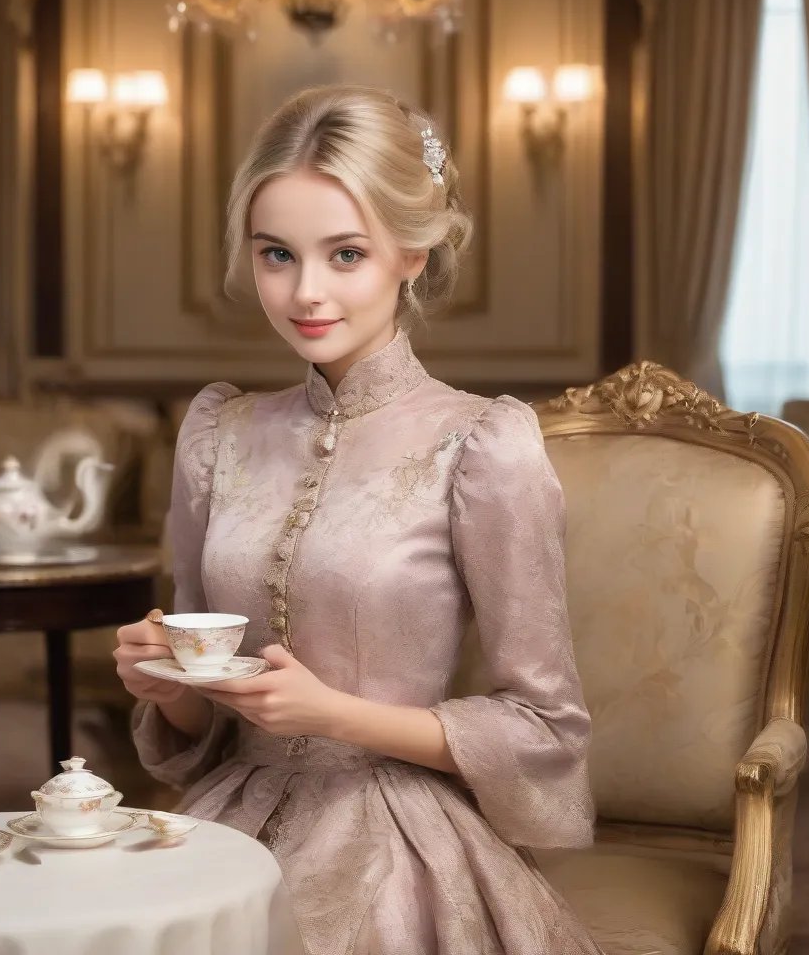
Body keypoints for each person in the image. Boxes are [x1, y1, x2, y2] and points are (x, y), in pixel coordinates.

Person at [114, 84, 604, 955]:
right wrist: (167, 687)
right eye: (277, 254)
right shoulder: (219, 434)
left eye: (346, 253)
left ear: (412, 252)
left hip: (397, 839)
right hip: (229, 823)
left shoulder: (481, 444)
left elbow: (545, 727)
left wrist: (334, 714)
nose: (305, 292)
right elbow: (199, 728)